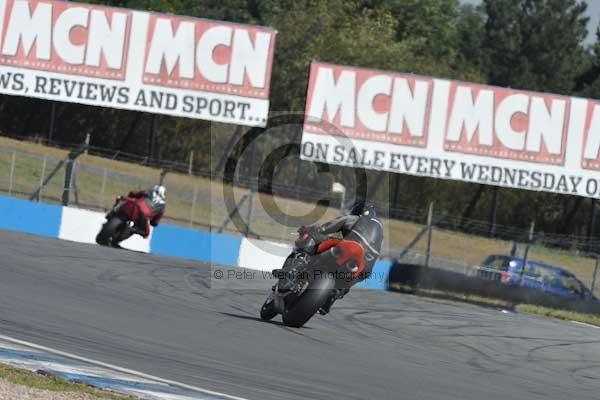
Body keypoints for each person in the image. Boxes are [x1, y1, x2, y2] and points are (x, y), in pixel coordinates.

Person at [314, 200, 384, 314]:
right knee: (347, 282)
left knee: (322, 255)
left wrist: (319, 230)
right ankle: (334, 295)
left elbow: (333, 225)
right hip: (367, 266)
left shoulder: (356, 219)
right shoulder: (380, 232)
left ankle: (313, 273)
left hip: (350, 248)